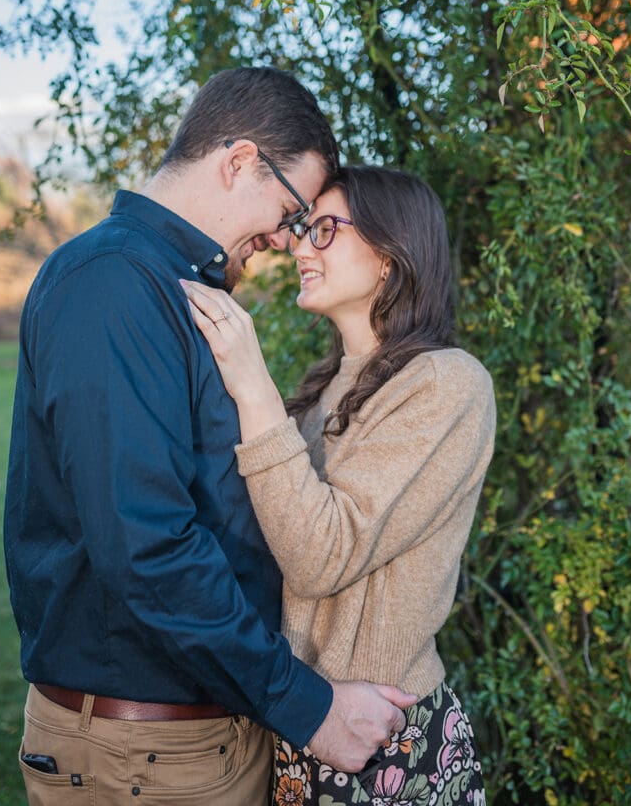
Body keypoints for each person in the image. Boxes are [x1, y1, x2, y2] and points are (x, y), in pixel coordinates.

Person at [4, 70, 417, 806]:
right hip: (143, 756)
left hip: (186, 742)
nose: (283, 239)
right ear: (239, 161)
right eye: (289, 210)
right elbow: (147, 547)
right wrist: (308, 707)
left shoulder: (173, 284)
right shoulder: (114, 284)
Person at [183, 164, 497, 805]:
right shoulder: (321, 390)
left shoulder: (447, 384)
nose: (299, 247)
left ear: (389, 255)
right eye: (302, 230)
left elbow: (320, 556)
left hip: (386, 738)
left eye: (324, 230)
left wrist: (252, 382)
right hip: (302, 721)